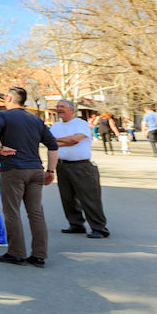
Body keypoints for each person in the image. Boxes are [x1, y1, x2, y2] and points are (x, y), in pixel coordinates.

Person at [0, 86, 59, 268]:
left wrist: (0, 148)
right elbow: (53, 146)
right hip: (36, 169)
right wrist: (51, 171)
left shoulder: (2, 116)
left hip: (14, 170)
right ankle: (39, 255)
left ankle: (16, 253)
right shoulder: (36, 120)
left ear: (9, 98)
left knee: (11, 212)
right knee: (36, 213)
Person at [50, 99, 109, 238]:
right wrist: (64, 141)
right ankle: (76, 224)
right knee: (67, 197)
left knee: (89, 198)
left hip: (81, 166)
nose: (59, 109)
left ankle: (99, 228)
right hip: (62, 165)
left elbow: (74, 140)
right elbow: (51, 143)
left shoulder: (81, 124)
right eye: (57, 107)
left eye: (62, 107)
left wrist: (57, 141)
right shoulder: (55, 126)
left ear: (71, 109)